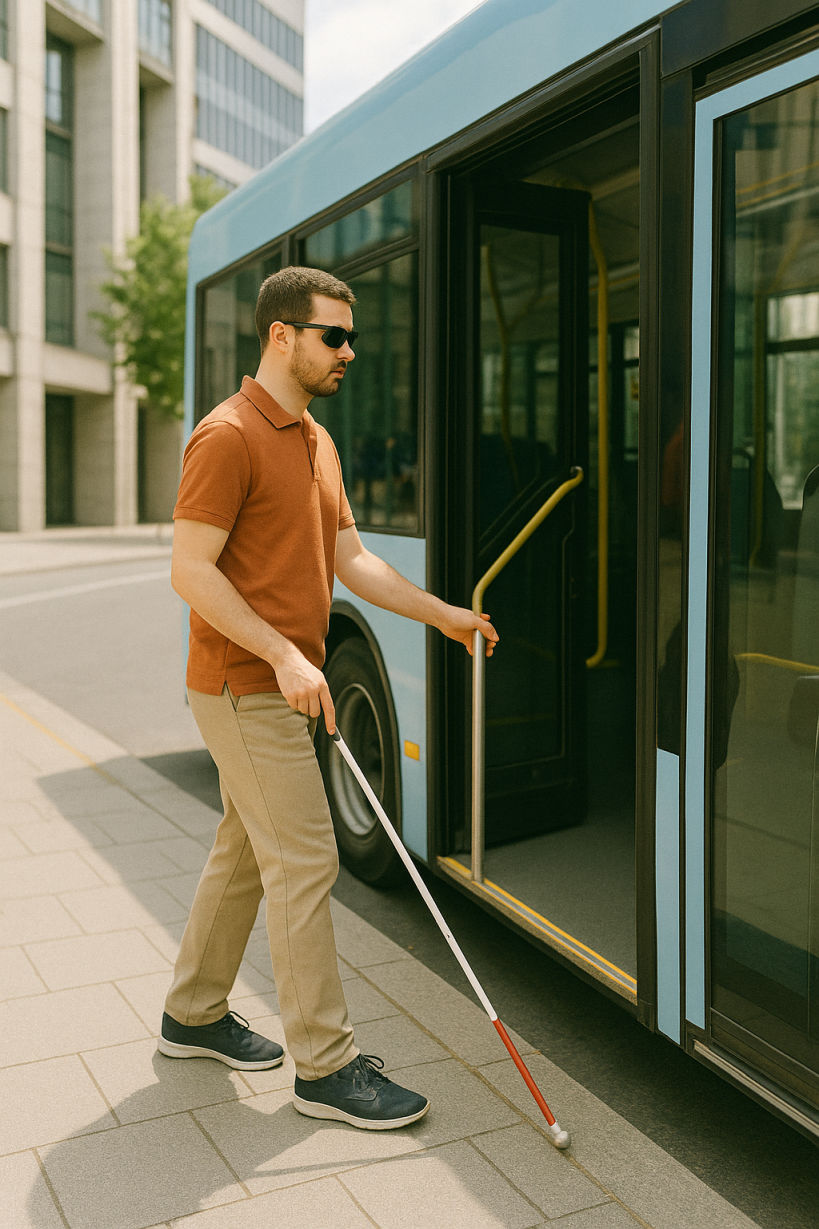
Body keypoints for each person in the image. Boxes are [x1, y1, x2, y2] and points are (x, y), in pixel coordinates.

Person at [158, 266, 498, 1130]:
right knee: (305, 859)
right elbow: (189, 571)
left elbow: (351, 560)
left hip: (278, 684)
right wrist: (281, 654)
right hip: (243, 687)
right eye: (333, 336)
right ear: (282, 335)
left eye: (351, 336)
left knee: (246, 848)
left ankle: (190, 1014)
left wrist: (444, 615)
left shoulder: (314, 439)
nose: (350, 351)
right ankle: (326, 1064)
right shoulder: (227, 435)